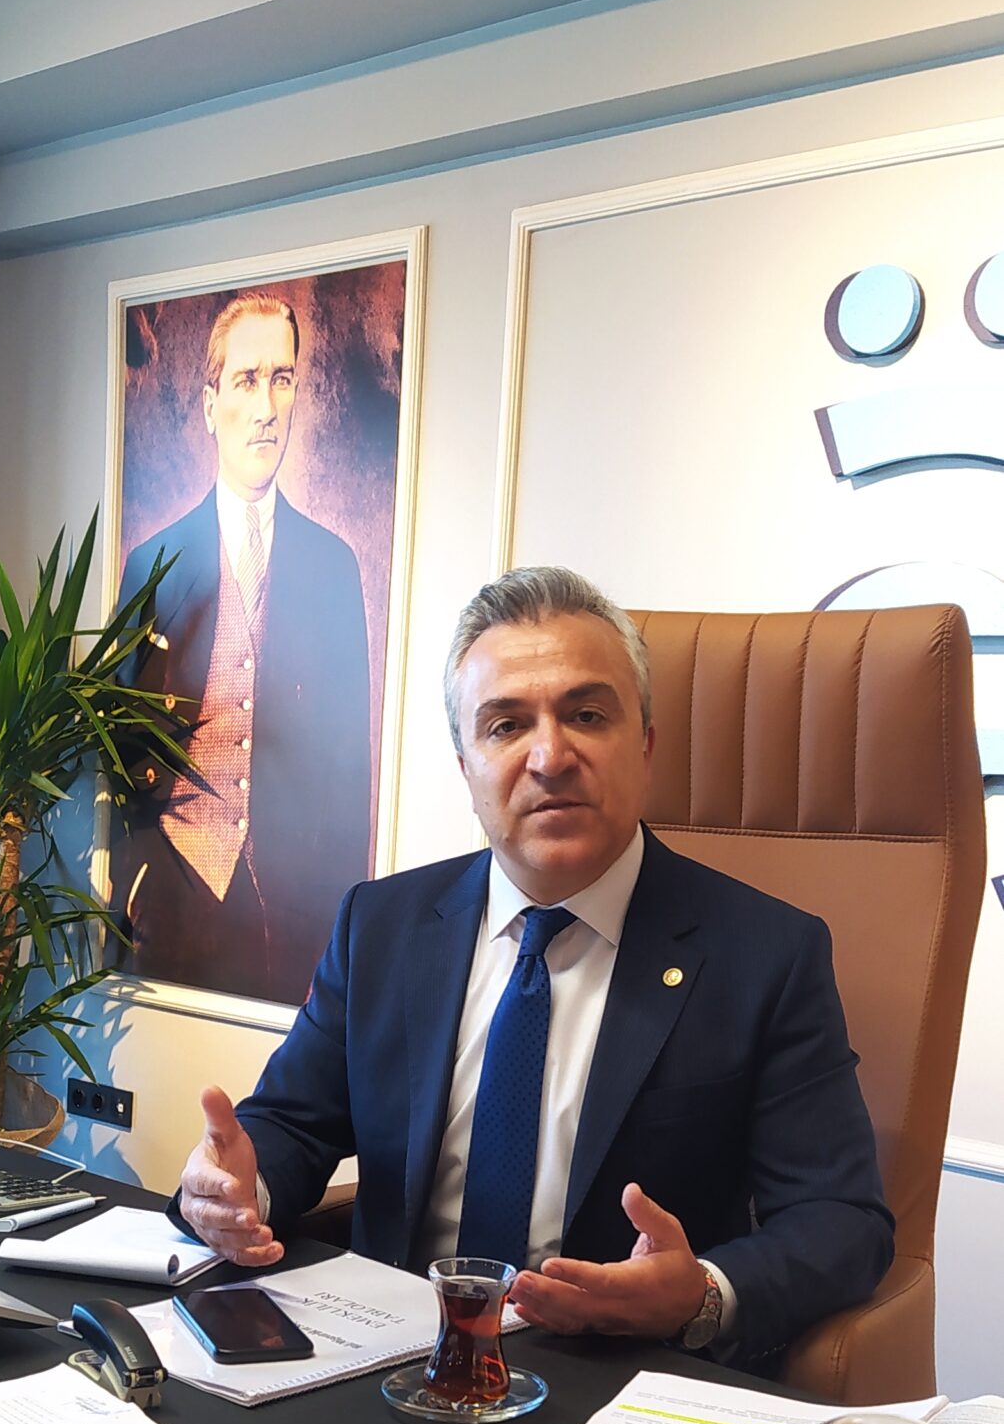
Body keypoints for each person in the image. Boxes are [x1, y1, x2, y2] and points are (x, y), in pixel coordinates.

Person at [177, 566, 894, 1369]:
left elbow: (842, 1220)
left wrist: (700, 1294)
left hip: (616, 1378)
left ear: (645, 744)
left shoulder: (765, 955)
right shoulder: (381, 926)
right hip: (390, 1364)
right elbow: (291, 1124)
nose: (550, 756)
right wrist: (237, 1190)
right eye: (506, 725)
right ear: (466, 766)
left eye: (587, 715)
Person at [112, 288, 372, 1003]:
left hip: (293, 916)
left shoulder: (333, 566)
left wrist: (348, 929)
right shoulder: (152, 564)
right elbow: (114, 750)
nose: (265, 407)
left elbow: (350, 771)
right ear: (210, 404)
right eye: (247, 380)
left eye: (281, 379)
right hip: (173, 897)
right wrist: (125, 893)